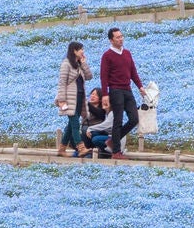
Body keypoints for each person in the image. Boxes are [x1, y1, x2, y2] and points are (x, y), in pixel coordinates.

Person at [98, 28, 142, 157]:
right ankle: (116, 151)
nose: (121, 39)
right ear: (111, 40)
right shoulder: (107, 55)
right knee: (118, 120)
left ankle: (113, 141)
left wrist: (140, 86)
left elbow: (133, 72)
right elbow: (104, 76)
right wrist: (105, 94)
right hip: (115, 90)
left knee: (134, 119)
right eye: (117, 37)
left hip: (127, 89)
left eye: (121, 36)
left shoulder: (127, 53)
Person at [55, 41, 92, 159]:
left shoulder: (79, 64)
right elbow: (62, 83)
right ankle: (81, 148)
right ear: (74, 51)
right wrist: (61, 100)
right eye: (81, 49)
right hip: (69, 99)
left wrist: (84, 63)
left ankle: (61, 149)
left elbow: (89, 76)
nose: (83, 51)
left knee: (71, 126)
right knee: (75, 123)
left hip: (79, 97)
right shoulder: (66, 64)